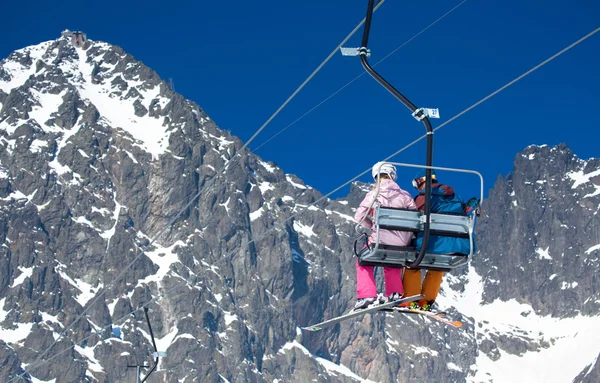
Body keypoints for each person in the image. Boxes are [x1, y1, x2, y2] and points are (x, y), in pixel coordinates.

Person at [402, 169, 473, 311]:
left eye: (416, 185)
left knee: (413, 264)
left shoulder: (424, 198)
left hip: (430, 244)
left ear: (421, 182)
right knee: (436, 268)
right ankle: (427, 302)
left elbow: (412, 218)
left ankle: (411, 300)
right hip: (456, 244)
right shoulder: (456, 198)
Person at [352, 162, 417, 311]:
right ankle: (395, 294)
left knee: (363, 261)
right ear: (393, 176)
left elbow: (359, 216)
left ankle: (367, 296)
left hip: (379, 241)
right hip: (403, 244)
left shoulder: (374, 194)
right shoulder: (405, 195)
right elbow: (415, 218)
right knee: (392, 261)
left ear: (376, 176)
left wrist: (372, 225)